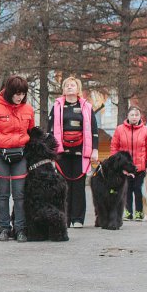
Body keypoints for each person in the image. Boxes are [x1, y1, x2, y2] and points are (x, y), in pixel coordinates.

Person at [0, 75, 35, 242]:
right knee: (3, 194)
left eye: (23, 94)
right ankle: (4, 227)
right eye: (17, 93)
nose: (20, 97)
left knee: (20, 194)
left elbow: (32, 135)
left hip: (21, 156)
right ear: (9, 92)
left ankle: (20, 229)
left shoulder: (29, 110)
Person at [47, 77, 99, 228]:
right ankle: (65, 217)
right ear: (63, 89)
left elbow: (94, 130)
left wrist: (94, 150)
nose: (70, 87)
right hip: (62, 152)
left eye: (73, 85)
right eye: (67, 85)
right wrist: (50, 151)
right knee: (63, 186)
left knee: (78, 186)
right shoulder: (57, 107)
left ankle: (77, 219)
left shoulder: (87, 107)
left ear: (78, 89)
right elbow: (50, 129)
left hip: (80, 152)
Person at [111, 106, 147, 221]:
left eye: (136, 115)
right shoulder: (119, 129)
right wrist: (115, 163)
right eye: (132, 115)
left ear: (140, 117)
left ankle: (139, 212)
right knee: (126, 190)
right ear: (128, 116)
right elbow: (114, 147)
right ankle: (127, 212)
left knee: (139, 191)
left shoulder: (146, 130)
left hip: (140, 167)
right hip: (124, 168)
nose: (134, 117)